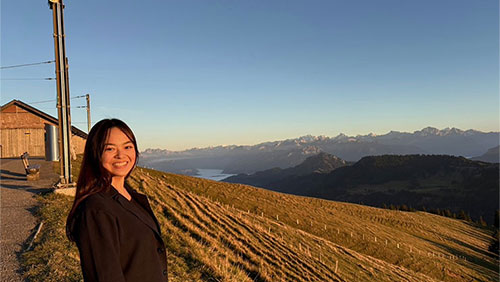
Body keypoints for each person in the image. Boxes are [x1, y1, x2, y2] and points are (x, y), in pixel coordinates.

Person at [66, 118, 168, 281]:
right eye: (110, 149)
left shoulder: (129, 195)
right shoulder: (96, 209)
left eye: (127, 146)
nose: (121, 155)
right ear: (95, 154)